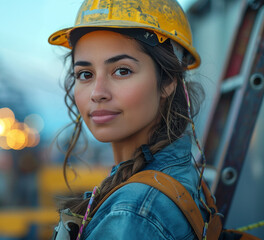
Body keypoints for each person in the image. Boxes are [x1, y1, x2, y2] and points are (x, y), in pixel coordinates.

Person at [48, 0, 207, 239]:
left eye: (122, 70)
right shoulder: (175, 173)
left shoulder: (132, 214)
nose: (97, 92)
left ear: (168, 81)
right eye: (85, 74)